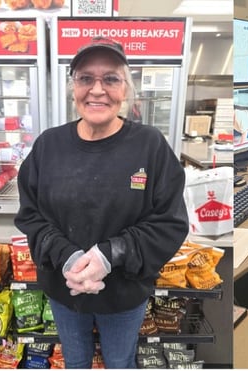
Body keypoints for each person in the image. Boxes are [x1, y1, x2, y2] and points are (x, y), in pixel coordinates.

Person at [14, 37, 189, 368]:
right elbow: (31, 215)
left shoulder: (149, 145)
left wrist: (110, 254)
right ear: (73, 88)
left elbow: (171, 222)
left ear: (125, 89)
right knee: (75, 362)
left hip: (124, 294)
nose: (97, 90)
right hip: (64, 292)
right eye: (85, 78)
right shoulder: (48, 146)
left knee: (119, 362)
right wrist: (65, 256)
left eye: (110, 78)